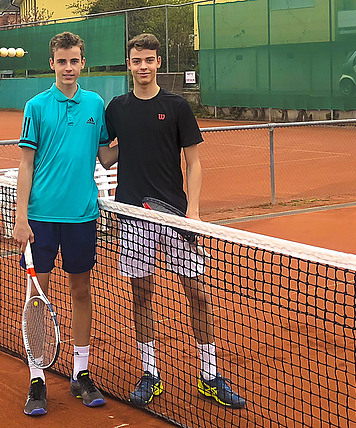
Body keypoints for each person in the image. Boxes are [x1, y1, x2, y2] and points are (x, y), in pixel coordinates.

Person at [101, 33, 246, 409]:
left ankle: (210, 375)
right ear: (128, 64)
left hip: (176, 216)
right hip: (133, 215)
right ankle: (150, 372)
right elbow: (105, 159)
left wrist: (193, 212)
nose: (143, 66)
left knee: (197, 294)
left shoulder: (178, 106)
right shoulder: (116, 108)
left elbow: (194, 162)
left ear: (158, 62)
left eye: (149, 59)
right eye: (137, 61)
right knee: (142, 294)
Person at [13, 31, 111, 416]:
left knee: (82, 291)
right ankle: (37, 377)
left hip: (83, 217)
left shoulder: (95, 104)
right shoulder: (36, 106)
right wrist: (20, 217)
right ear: (51, 63)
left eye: (74, 61)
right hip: (39, 220)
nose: (68, 68)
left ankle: (80, 373)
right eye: (61, 61)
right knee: (38, 299)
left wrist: (141, 137)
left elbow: (105, 155)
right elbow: (25, 164)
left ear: (82, 63)